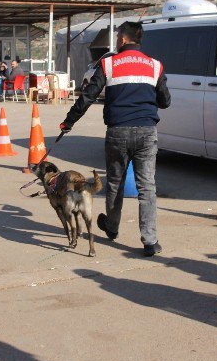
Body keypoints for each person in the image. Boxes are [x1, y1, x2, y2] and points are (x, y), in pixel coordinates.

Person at [59, 21, 171, 257]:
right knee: (147, 187)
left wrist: (69, 121)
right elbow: (165, 101)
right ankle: (150, 241)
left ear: (122, 40)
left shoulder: (108, 63)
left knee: (114, 183)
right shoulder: (155, 66)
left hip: (118, 132)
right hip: (147, 132)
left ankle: (112, 227)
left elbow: (88, 96)